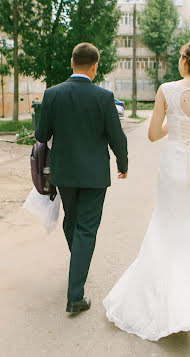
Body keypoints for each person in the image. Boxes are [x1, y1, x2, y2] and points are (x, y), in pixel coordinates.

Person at [103, 40, 190, 341]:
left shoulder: (165, 90)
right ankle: (188, 296)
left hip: (172, 166)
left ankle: (163, 294)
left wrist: (176, 123)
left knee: (166, 226)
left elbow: (153, 133)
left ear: (185, 61)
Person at [35, 42, 128, 314]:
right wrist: (123, 164)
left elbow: (41, 135)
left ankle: (77, 269)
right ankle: (75, 295)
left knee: (72, 222)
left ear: (71, 62)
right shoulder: (103, 97)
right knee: (85, 229)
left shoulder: (52, 94)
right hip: (95, 176)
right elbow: (116, 136)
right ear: (95, 66)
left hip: (64, 174)